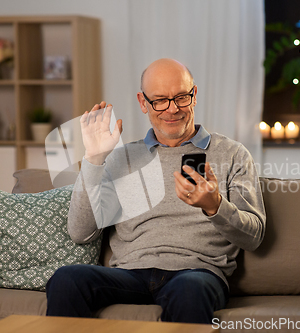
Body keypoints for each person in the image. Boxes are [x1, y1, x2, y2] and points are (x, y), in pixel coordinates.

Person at [46, 58, 266, 324]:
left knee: (190, 289)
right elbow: (81, 233)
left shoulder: (233, 154)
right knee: (67, 278)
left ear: (194, 95)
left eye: (181, 97)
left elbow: (254, 237)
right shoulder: (121, 158)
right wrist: (93, 158)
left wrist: (215, 206)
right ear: (143, 102)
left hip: (196, 273)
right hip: (129, 274)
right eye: (159, 100)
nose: (172, 110)